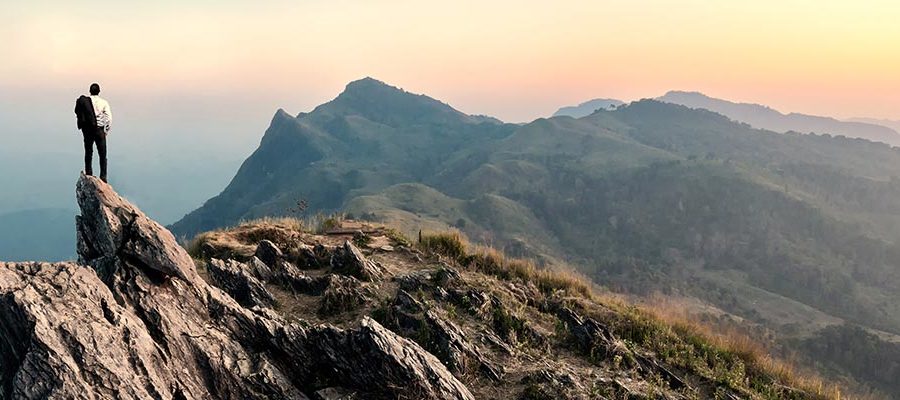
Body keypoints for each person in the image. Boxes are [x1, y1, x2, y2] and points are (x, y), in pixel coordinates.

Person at [74, 83, 112, 182]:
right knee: (102, 154)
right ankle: (103, 177)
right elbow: (108, 118)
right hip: (99, 130)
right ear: (99, 91)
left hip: (87, 130)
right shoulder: (103, 102)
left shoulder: (85, 102)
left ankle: (89, 173)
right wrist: (106, 130)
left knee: (88, 152)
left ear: (90, 91)